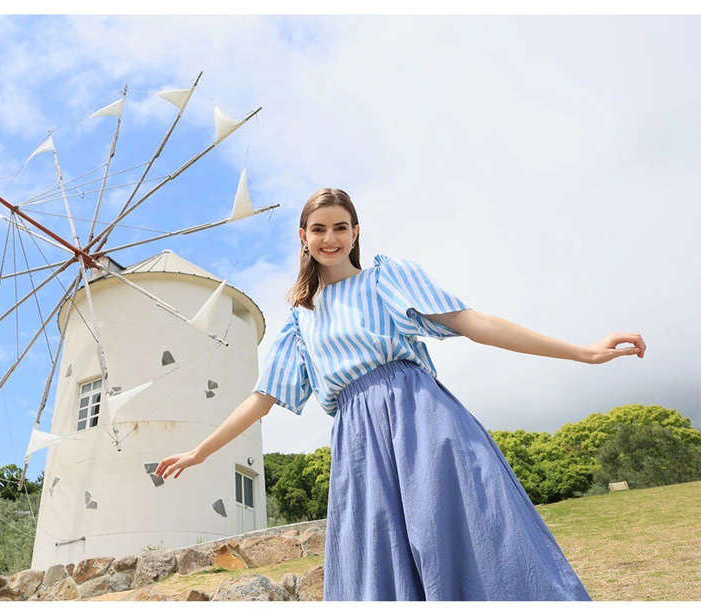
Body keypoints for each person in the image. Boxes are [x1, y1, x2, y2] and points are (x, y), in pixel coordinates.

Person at [155, 187, 645, 601]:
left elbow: (472, 323)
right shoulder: (300, 323)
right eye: (319, 229)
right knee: (375, 559)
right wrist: (200, 451)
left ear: (356, 233)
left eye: (341, 227)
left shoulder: (385, 279)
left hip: (419, 417)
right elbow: (262, 398)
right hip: (359, 443)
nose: (331, 238)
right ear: (302, 237)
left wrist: (580, 352)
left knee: (465, 532)